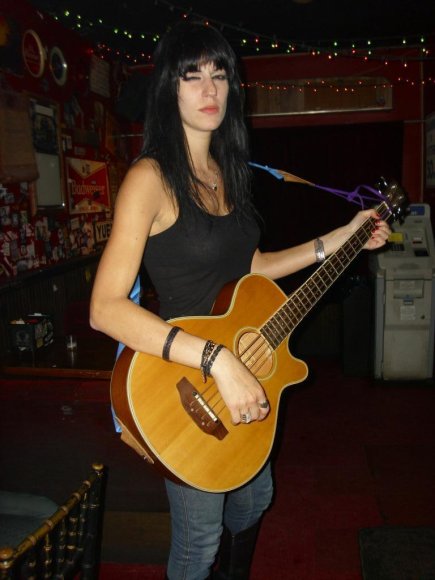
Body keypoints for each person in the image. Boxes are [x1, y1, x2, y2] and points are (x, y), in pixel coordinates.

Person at [90, 20, 391, 580]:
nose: (209, 89)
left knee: (253, 501)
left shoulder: (229, 172)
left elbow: (250, 269)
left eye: (220, 74)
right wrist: (217, 360)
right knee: (198, 543)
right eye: (193, 76)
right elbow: (104, 307)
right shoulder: (150, 178)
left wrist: (342, 237)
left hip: (240, 364)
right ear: (169, 89)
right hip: (187, 382)